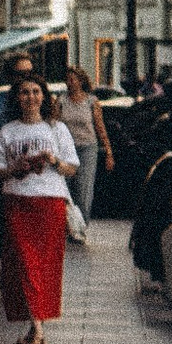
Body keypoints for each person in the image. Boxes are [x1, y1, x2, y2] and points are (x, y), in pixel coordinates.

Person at [0, 69, 78, 344]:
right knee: (24, 263)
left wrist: (52, 161)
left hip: (50, 202)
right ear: (17, 98)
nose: (31, 97)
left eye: (36, 92)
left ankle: (35, 325)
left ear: (44, 96)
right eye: (25, 92)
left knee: (45, 266)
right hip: (18, 201)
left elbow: (71, 167)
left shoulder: (56, 129)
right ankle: (36, 325)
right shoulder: (8, 130)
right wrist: (13, 169)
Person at [56, 64, 111, 227]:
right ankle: (67, 224)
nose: (69, 83)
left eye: (73, 79)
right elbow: (55, 124)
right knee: (65, 186)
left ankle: (81, 224)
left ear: (80, 81)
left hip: (87, 148)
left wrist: (108, 151)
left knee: (84, 187)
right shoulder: (61, 100)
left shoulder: (91, 101)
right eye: (67, 80)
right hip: (65, 149)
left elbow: (100, 127)